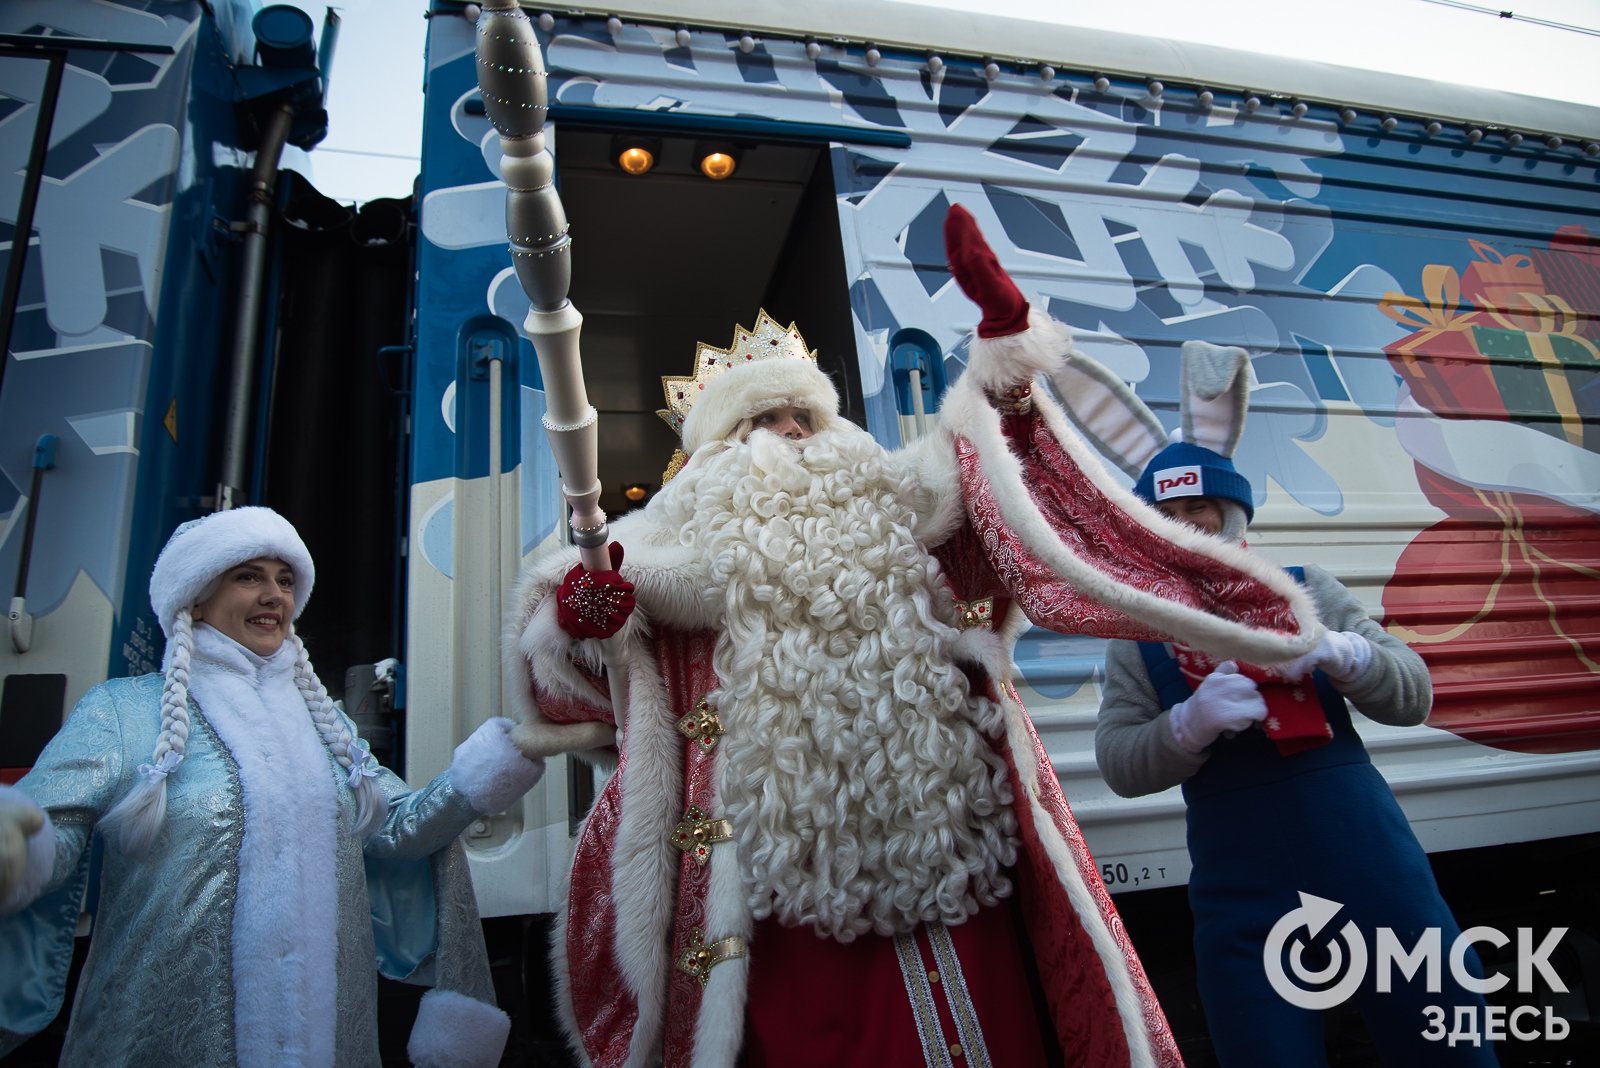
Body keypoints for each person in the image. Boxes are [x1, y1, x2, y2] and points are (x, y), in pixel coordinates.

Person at [505, 206, 1327, 1068]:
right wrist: (582, 617)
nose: (793, 435)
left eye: (805, 419)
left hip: (949, 865)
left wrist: (1007, 370)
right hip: (776, 904)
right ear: (713, 453)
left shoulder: (905, 517)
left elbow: (1010, 508)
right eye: (766, 423)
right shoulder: (654, 561)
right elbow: (580, 707)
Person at [0, 506, 608, 1068]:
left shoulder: (326, 727)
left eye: (285, 581)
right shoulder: (121, 712)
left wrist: (514, 751)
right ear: (197, 594)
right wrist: (15, 844)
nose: (273, 596)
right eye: (248, 577)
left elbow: (397, 828)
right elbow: (48, 833)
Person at [1092, 341, 1497, 1067]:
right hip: (1240, 884)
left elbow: (1415, 693)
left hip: (1365, 852)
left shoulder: (1308, 586)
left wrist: (1349, 655)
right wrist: (1185, 726)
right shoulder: (1137, 636)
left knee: (1444, 1032)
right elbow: (1119, 761)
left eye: (1202, 511)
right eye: (1168, 516)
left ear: (1231, 515)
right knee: (1260, 1046)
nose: (1188, 528)